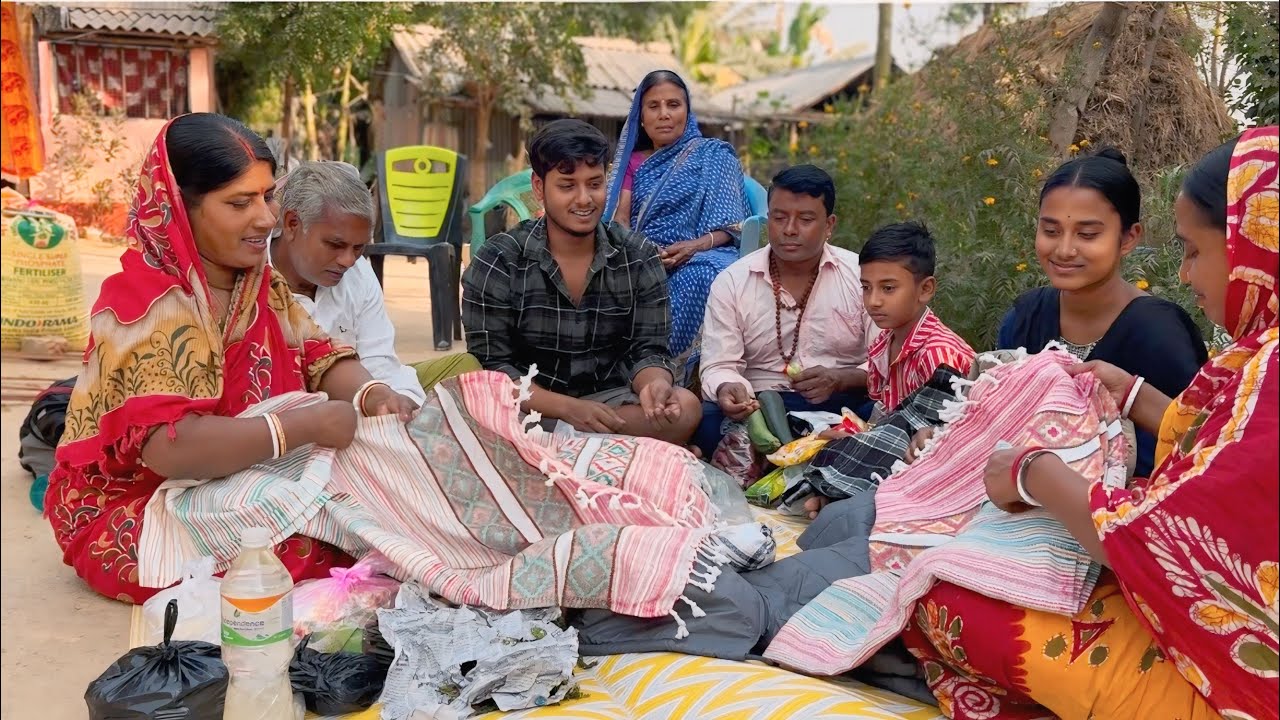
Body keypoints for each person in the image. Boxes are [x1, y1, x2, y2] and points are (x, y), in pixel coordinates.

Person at [900, 128, 1278, 720]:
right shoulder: (1031, 313)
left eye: (1195, 251)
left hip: (1239, 671)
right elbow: (1211, 438)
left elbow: (1167, 528)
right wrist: (1125, 394)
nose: (1184, 273)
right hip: (1098, 528)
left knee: (939, 590)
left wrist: (1035, 472)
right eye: (1051, 230)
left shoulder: (1176, 337)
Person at [44, 113, 419, 603]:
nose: (264, 219)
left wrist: (373, 395)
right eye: (239, 203)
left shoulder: (259, 284)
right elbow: (169, 451)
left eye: (267, 196)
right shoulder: (143, 303)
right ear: (182, 208)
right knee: (315, 547)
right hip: (142, 502)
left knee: (395, 486)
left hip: (246, 470)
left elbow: (322, 356)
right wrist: (302, 427)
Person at [462, 119, 701, 445]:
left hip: (609, 403)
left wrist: (653, 385)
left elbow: (647, 351)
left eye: (595, 183)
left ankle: (561, 446)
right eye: (567, 185)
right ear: (538, 188)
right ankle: (595, 446)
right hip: (530, 403)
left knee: (684, 407)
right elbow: (493, 369)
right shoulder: (499, 260)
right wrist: (566, 408)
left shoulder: (638, 255)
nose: (584, 199)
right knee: (473, 410)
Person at [975, 148, 1206, 476]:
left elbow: (1201, 450)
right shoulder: (1024, 318)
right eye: (1051, 231)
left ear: (1128, 238)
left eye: (1087, 234)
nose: (1064, 250)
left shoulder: (1160, 334)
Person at [695, 165, 873, 458]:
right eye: (779, 218)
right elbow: (718, 364)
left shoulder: (860, 277)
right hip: (761, 407)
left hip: (843, 404)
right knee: (708, 419)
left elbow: (886, 360)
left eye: (805, 219)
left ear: (829, 225)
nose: (789, 230)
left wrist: (840, 378)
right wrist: (729, 387)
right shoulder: (732, 281)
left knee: (888, 412)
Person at [270, 161, 481, 405]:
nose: (348, 260)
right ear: (292, 224)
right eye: (335, 245)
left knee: (470, 369)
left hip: (365, 394)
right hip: (298, 413)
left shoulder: (358, 272)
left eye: (359, 247)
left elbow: (381, 365)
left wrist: (401, 406)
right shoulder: (252, 278)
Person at [603, 69, 749, 362]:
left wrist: (693, 246)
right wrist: (644, 250)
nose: (664, 114)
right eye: (653, 106)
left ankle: (685, 366)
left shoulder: (713, 154)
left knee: (714, 274)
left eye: (673, 105)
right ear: (640, 117)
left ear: (687, 110)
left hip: (704, 251)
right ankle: (641, 364)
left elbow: (734, 227)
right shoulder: (632, 163)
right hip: (642, 255)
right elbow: (620, 219)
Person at [860, 221, 974, 415]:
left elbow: (942, 435)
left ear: (925, 289)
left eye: (888, 288)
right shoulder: (884, 341)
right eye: (866, 287)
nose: (873, 301)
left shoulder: (938, 357)